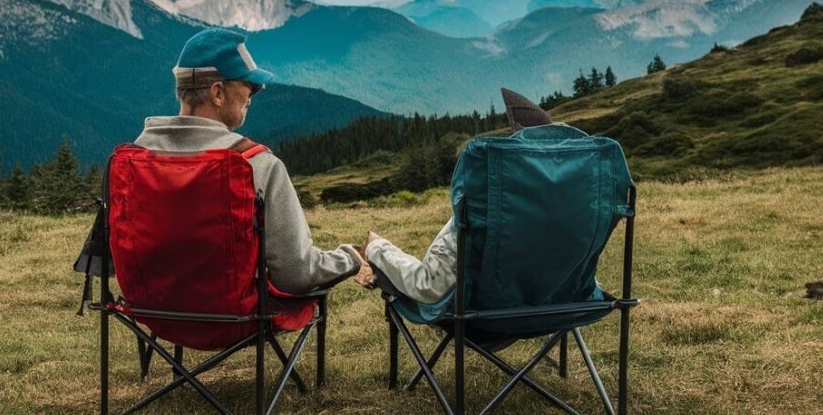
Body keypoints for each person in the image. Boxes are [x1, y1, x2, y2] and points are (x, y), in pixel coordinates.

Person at [135, 27, 364, 294]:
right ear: (217, 93)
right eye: (249, 86)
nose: (252, 96)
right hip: (234, 320)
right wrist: (351, 257)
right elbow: (297, 274)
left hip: (152, 311)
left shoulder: (137, 158)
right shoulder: (256, 165)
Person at [355, 88, 554, 301]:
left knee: (375, 244)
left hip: (482, 317)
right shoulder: (570, 205)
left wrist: (377, 248)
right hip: (560, 306)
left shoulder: (487, 204)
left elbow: (429, 286)